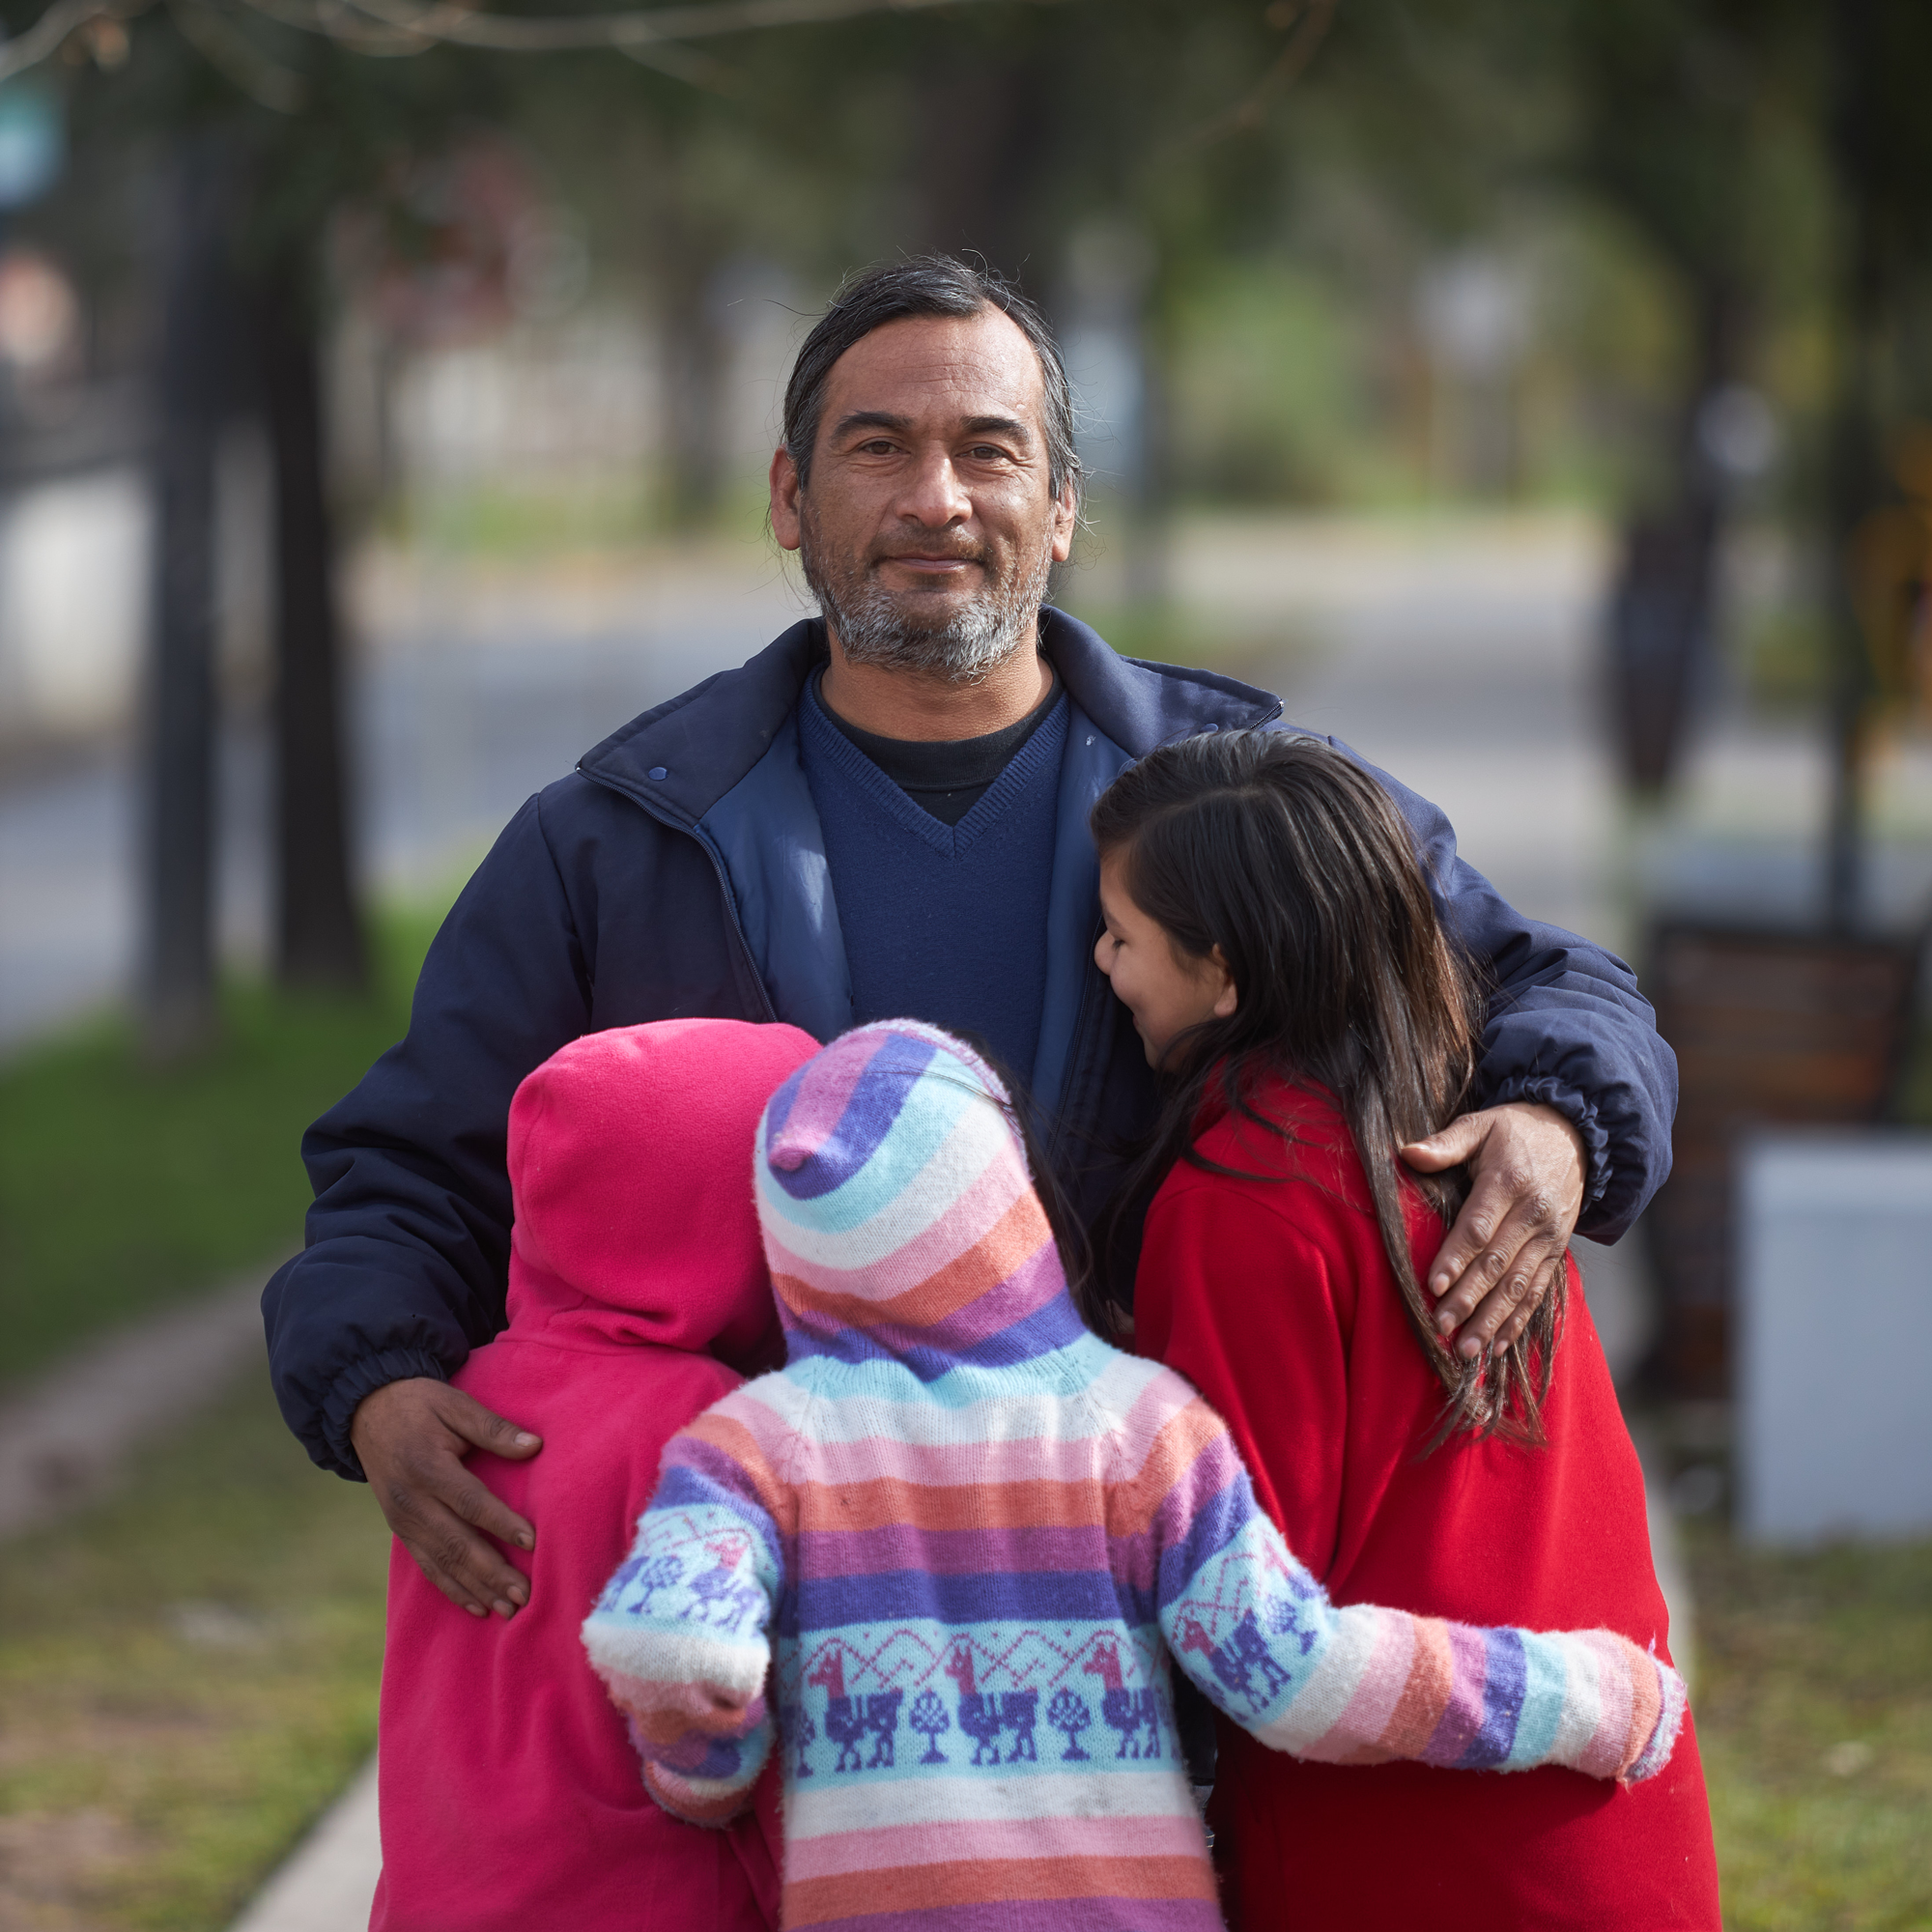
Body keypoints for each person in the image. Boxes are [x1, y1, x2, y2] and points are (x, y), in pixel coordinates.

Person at [263, 254, 1678, 1631]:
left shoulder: (1243, 788)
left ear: (1061, 508)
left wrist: (1556, 1128)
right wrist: (376, 1378)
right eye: (877, 446)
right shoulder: (619, 840)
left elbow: (1559, 985)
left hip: (1174, 1626)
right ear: (788, 498)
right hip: (757, 1633)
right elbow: (412, 1167)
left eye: (988, 452)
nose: (934, 498)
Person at [580, 1019, 1687, 1932]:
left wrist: (707, 1772)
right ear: (999, 1193)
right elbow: (1288, 1674)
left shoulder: (755, 1442)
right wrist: (1581, 1698)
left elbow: (669, 1644)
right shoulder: (1134, 1422)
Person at [1089, 730, 1721, 1929]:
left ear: (1222, 972)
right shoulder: (1480, 1147)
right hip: (1616, 1827)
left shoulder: (1239, 1202)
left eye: (1121, 932)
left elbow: (1240, 1602)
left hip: (1401, 1850)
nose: (1101, 960)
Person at [370, 1017, 818, 1932]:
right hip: (646, 1901)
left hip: (436, 1895)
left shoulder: (460, 1402)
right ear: (733, 1216)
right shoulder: (710, 1424)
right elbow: (724, 1701)